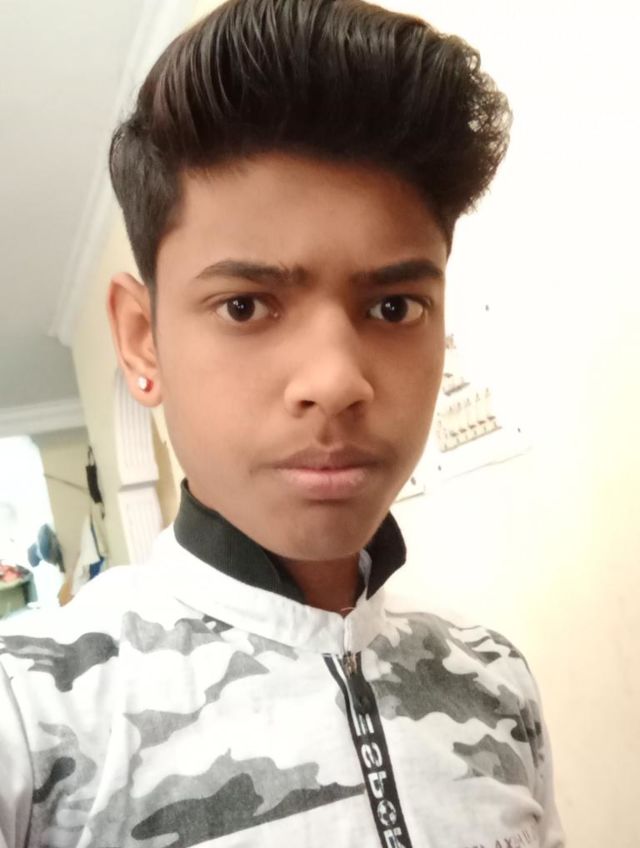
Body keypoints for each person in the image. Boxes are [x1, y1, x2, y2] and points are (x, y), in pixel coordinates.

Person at [0, 1, 565, 845]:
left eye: (393, 306)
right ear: (143, 338)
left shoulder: (495, 683)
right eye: (245, 305)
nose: (336, 382)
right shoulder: (35, 713)